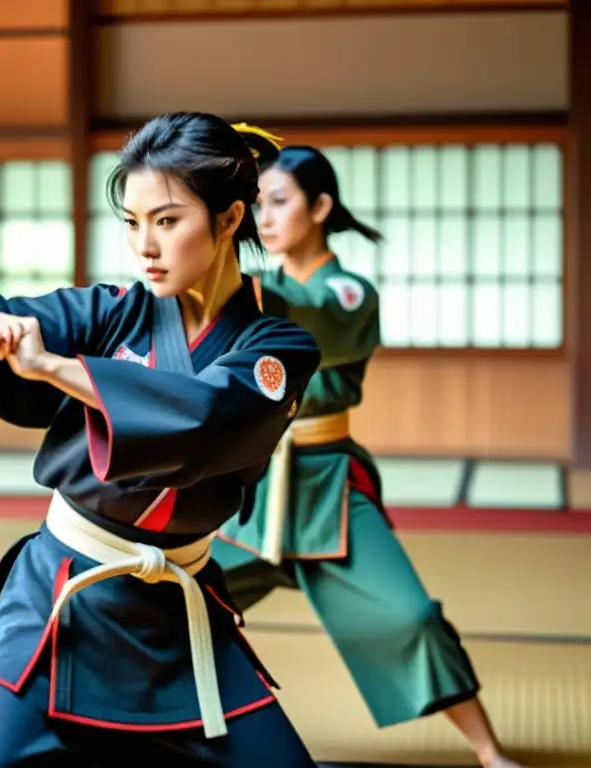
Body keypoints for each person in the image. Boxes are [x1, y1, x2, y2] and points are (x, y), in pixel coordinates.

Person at [0, 113, 322, 766]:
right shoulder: (111, 313)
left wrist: (60, 370)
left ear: (228, 220)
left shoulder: (277, 348)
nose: (145, 245)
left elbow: (208, 418)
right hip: (59, 599)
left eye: (167, 221)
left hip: (176, 609)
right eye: (134, 223)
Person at [211, 141, 527, 768]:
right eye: (256, 206)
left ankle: (490, 753)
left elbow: (312, 318)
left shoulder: (348, 293)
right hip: (254, 484)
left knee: (409, 617)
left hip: (329, 487)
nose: (263, 218)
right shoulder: (254, 287)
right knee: (164, 600)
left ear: (321, 206)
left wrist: (226, 277)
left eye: (279, 202)